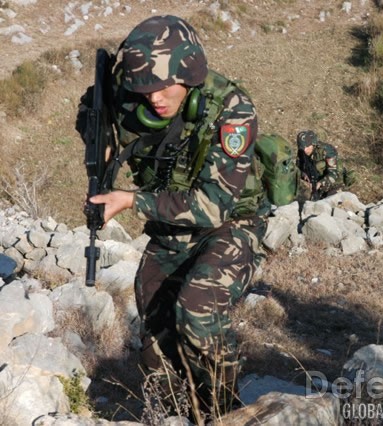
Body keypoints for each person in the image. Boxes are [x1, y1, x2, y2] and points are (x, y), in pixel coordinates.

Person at [77, 15, 269, 417]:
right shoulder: (136, 94)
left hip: (230, 224)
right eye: (145, 90)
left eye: (164, 87)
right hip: (171, 229)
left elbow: (212, 204)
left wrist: (131, 201)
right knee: (155, 330)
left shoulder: (232, 111)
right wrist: (100, 155)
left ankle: (222, 411)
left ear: (190, 76)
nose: (155, 99)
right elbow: (93, 106)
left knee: (196, 310)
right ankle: (173, 413)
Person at [296, 130, 341, 200]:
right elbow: (298, 168)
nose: (305, 150)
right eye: (302, 148)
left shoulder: (327, 151)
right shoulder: (302, 152)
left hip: (332, 183)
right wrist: (303, 175)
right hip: (312, 184)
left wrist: (320, 183)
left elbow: (334, 173)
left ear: (313, 144)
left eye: (307, 147)